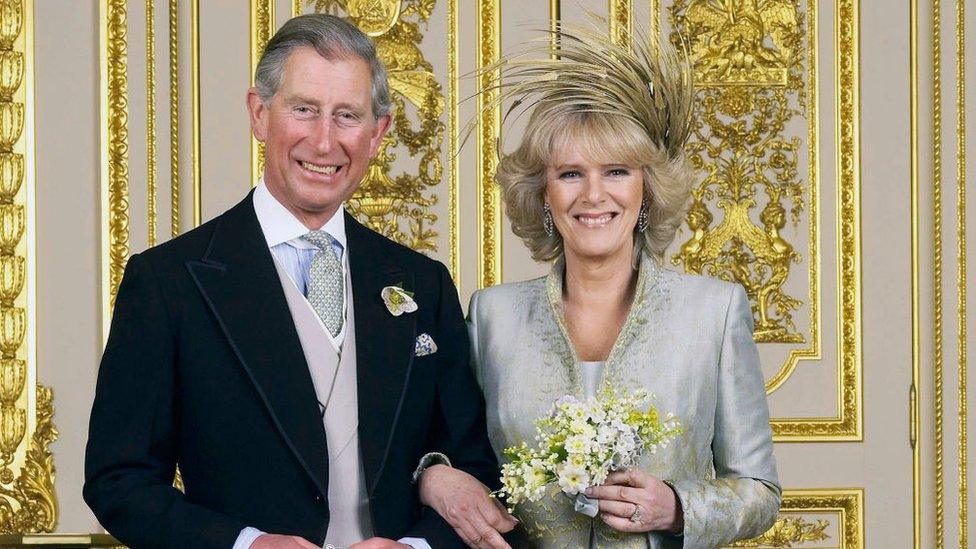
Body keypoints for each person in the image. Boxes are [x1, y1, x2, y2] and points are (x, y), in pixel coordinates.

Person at [84, 14, 515, 549]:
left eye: (347, 116)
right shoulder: (168, 283)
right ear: (259, 114)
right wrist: (245, 544)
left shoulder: (423, 285)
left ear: (377, 133)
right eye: (304, 109)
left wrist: (416, 548)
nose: (324, 140)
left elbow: (475, 465)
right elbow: (118, 481)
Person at [465, 24, 782, 548]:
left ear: (646, 188)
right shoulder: (491, 318)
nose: (593, 195)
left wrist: (678, 508)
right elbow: (465, 466)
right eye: (569, 173)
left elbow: (759, 490)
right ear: (542, 194)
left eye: (616, 171)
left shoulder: (713, 311)